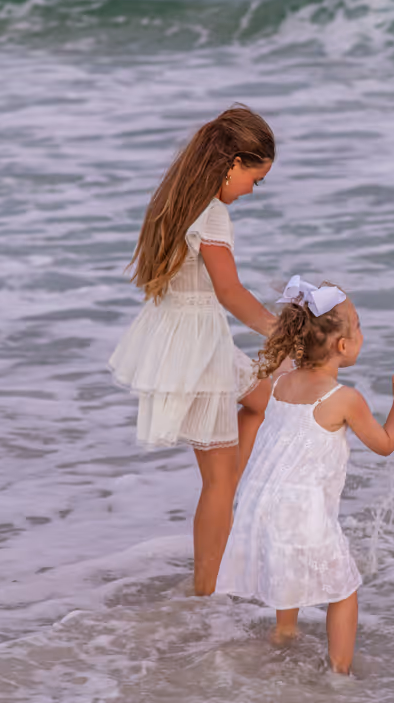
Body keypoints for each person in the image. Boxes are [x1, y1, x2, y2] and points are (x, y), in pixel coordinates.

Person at [217, 276, 394, 675]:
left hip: (261, 501)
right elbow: (385, 444)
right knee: (343, 590)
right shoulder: (344, 399)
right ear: (343, 346)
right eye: (359, 326)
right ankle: (339, 674)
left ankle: (284, 634)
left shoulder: (281, 381)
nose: (362, 332)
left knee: (287, 566)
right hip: (302, 507)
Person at [109, 106, 278, 596]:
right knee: (218, 481)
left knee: (266, 403)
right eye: (256, 178)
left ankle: (222, 523)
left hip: (187, 338)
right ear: (234, 163)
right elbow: (230, 292)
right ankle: (205, 592)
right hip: (199, 346)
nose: (252, 190)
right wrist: (283, 335)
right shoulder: (214, 213)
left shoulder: (181, 200)